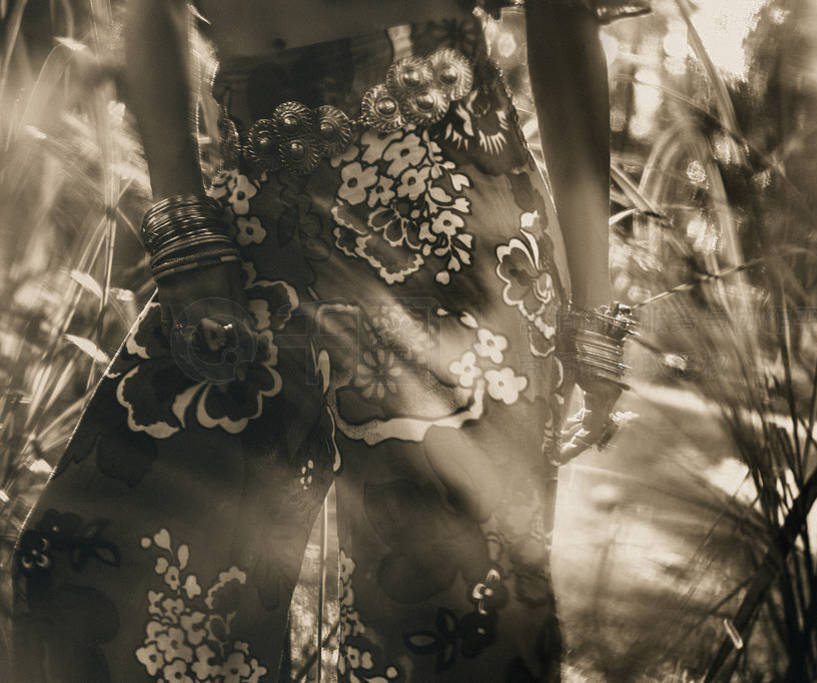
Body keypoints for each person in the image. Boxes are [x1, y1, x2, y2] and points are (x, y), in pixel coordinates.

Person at [10, 0, 646, 679]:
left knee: (451, 626)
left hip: (443, 223)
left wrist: (593, 311)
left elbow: (563, 18)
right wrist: (180, 211)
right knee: (101, 570)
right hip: (250, 225)